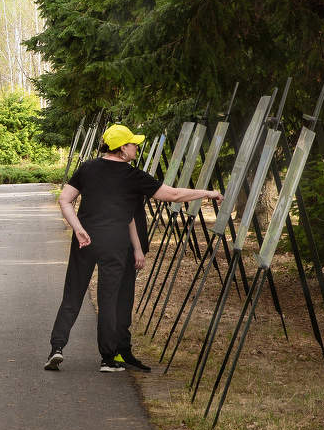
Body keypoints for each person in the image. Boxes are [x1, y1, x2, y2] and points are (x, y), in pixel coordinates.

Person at [45, 124, 222, 372]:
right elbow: (172, 195)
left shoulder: (87, 168)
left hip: (85, 239)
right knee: (109, 299)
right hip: (115, 243)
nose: (136, 148)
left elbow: (65, 200)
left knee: (73, 294)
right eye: (133, 144)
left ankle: (57, 348)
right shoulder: (132, 175)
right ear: (121, 149)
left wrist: (77, 228)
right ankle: (108, 358)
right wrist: (208, 193)